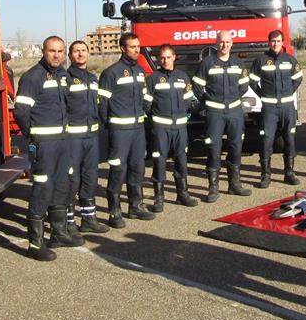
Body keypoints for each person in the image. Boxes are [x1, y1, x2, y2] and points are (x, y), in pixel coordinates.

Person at [13, 36, 84, 261]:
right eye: (52, 51)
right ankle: (35, 243)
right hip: (44, 144)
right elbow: (21, 111)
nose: (56, 55)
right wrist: (33, 135)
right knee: (43, 189)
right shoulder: (32, 77)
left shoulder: (63, 75)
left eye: (60, 51)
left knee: (63, 185)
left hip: (63, 141)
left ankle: (59, 233)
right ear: (44, 51)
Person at [98, 32, 154, 228]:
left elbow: (146, 96)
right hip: (120, 131)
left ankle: (135, 206)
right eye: (132, 47)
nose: (136, 50)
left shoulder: (139, 71)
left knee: (137, 168)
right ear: (123, 48)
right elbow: (102, 103)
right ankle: (114, 211)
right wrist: (110, 124)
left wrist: (143, 111)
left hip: (138, 129)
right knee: (118, 170)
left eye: (138, 47)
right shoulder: (111, 72)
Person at [193, 30, 251, 201]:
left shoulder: (238, 63)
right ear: (216, 43)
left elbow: (244, 86)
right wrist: (208, 102)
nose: (224, 45)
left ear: (231, 43)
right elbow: (197, 86)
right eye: (221, 42)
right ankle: (213, 188)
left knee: (236, 147)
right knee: (214, 148)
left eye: (227, 42)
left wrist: (233, 98)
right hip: (215, 113)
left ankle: (235, 185)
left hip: (234, 112)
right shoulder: (207, 63)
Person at [144, 44, 199, 210]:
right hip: (161, 128)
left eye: (168, 57)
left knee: (181, 160)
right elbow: (146, 104)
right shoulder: (153, 78)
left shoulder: (183, 77)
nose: (165, 60)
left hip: (180, 128)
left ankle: (182, 194)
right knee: (159, 161)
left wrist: (183, 111)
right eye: (162, 57)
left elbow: (190, 100)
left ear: (174, 57)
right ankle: (158, 198)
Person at [249, 29, 302, 188]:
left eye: (278, 41)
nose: (276, 44)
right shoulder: (261, 60)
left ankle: (289, 173)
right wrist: (263, 95)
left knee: (289, 140)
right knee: (266, 141)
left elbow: (298, 78)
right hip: (269, 108)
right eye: (273, 41)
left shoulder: (290, 60)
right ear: (269, 42)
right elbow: (252, 81)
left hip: (287, 107)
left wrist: (289, 91)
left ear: (282, 42)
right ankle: (265, 175)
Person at [64, 40, 108, 233]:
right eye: (76, 51)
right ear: (70, 56)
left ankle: (89, 218)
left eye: (83, 51)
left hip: (91, 137)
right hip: (73, 138)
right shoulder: (65, 79)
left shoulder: (92, 78)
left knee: (91, 176)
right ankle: (68, 220)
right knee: (72, 179)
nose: (80, 54)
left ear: (88, 54)